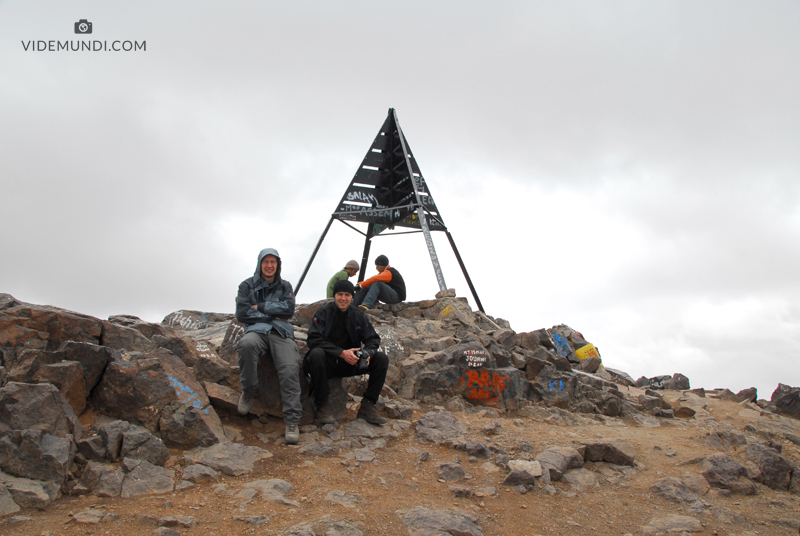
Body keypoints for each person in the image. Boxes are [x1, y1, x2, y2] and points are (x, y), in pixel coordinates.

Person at [235, 248, 302, 445]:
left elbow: (288, 310)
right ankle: (248, 391)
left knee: (290, 369)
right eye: (266, 262)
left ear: (278, 264)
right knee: (246, 345)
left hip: (281, 331)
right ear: (260, 264)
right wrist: (272, 312)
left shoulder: (285, 286)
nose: (269, 266)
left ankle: (292, 421)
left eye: (273, 262)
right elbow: (242, 314)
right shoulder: (246, 286)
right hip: (256, 331)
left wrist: (261, 307)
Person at [303, 280, 389, 425]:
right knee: (316, 354)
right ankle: (322, 405)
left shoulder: (358, 315)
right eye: (340, 294)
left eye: (347, 295)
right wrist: (341, 353)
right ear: (334, 295)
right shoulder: (323, 312)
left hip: (351, 363)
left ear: (352, 297)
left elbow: (373, 339)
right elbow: (313, 339)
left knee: (381, 359)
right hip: (327, 363)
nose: (343, 298)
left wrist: (367, 353)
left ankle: (368, 406)